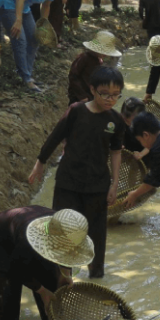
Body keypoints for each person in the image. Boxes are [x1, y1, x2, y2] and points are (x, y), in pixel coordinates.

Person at [30, 66, 126, 279]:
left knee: (96, 233)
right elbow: (56, 136)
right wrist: (40, 162)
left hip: (98, 184)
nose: (110, 99)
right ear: (92, 90)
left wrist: (114, 183)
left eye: (115, 95)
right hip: (68, 182)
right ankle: (64, 277)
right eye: (104, 94)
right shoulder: (76, 111)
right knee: (63, 230)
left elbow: (116, 152)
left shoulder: (116, 121)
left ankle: (96, 277)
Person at [0, 207, 93, 320]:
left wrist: (65, 274)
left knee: (51, 281)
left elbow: (69, 253)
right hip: (3, 235)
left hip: (30, 226)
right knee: (8, 287)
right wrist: (42, 291)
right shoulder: (27, 241)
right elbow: (17, 267)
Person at [0, 0, 67, 92]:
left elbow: (46, 6)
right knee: (20, 39)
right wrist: (18, 20)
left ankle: (25, 74)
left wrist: (43, 25)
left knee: (34, 38)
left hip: (24, 8)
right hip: (8, 2)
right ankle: (26, 79)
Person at [67, 30, 121, 104]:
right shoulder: (84, 58)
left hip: (91, 97)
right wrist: (82, 96)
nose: (106, 54)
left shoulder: (98, 61)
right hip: (79, 98)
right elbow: (73, 76)